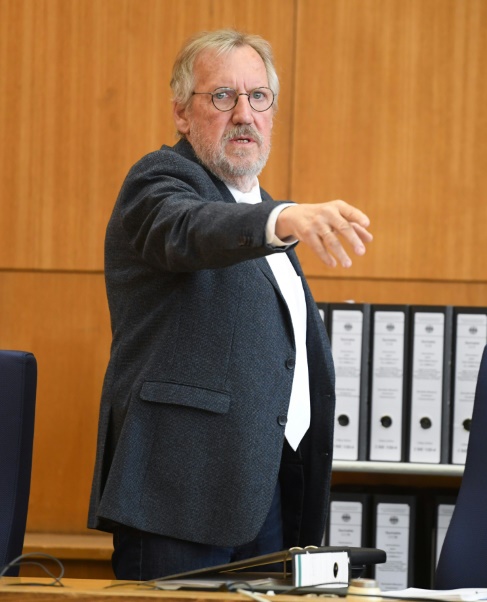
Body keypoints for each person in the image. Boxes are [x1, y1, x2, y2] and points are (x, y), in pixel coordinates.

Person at [87, 29, 373, 581]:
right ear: (181, 112)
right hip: (179, 497)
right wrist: (281, 219)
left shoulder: (263, 212)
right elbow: (189, 229)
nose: (244, 114)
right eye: (222, 96)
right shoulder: (161, 182)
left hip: (268, 493)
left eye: (258, 96)